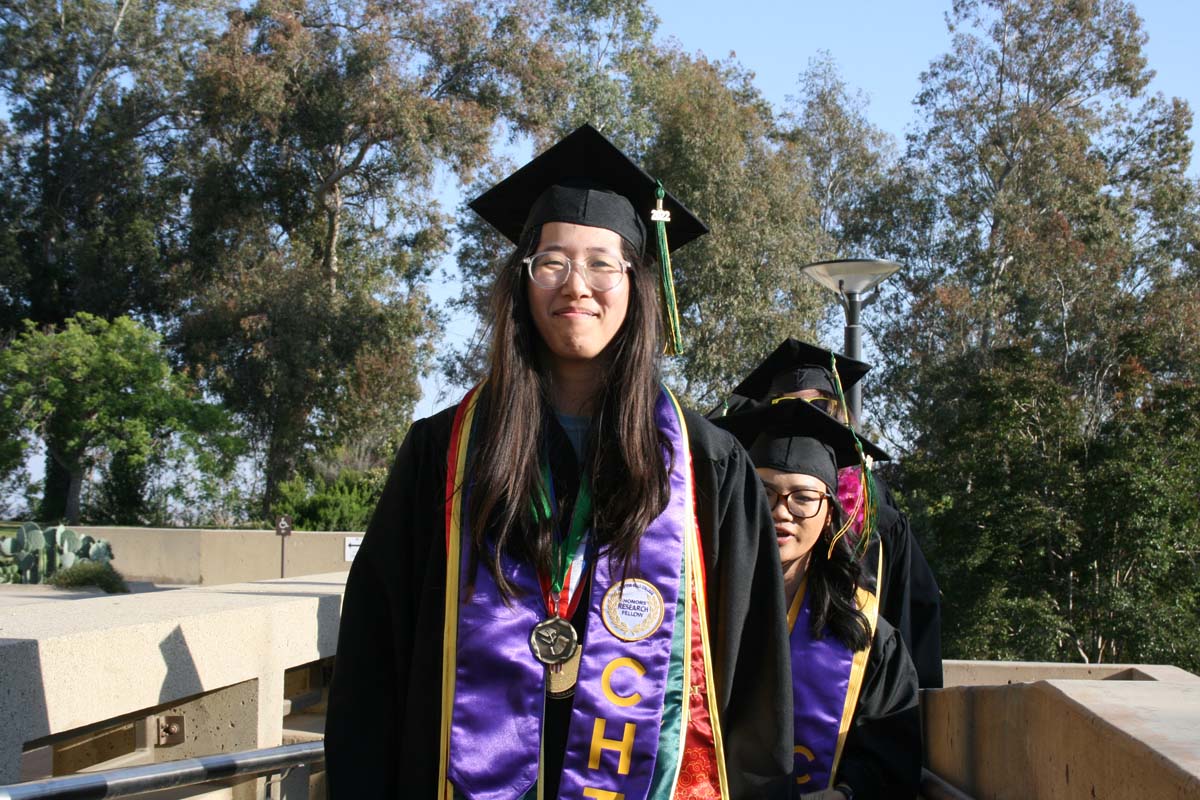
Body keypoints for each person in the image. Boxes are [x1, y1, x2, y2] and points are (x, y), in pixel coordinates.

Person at [324, 124, 793, 800]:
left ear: (636, 284)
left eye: (603, 263)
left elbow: (752, 692)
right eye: (552, 263)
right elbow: (375, 663)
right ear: (522, 282)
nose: (578, 285)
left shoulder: (707, 467)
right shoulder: (443, 454)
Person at [714, 399, 922, 800]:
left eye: (803, 497)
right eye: (764, 491)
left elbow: (892, 762)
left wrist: (844, 794)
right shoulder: (698, 613)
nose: (782, 512)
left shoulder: (866, 636)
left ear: (829, 513)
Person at [710, 338, 944, 689]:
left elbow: (912, 614)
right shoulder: (732, 507)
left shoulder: (878, 511)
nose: (783, 511)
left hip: (854, 677)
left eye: (820, 403)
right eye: (784, 405)